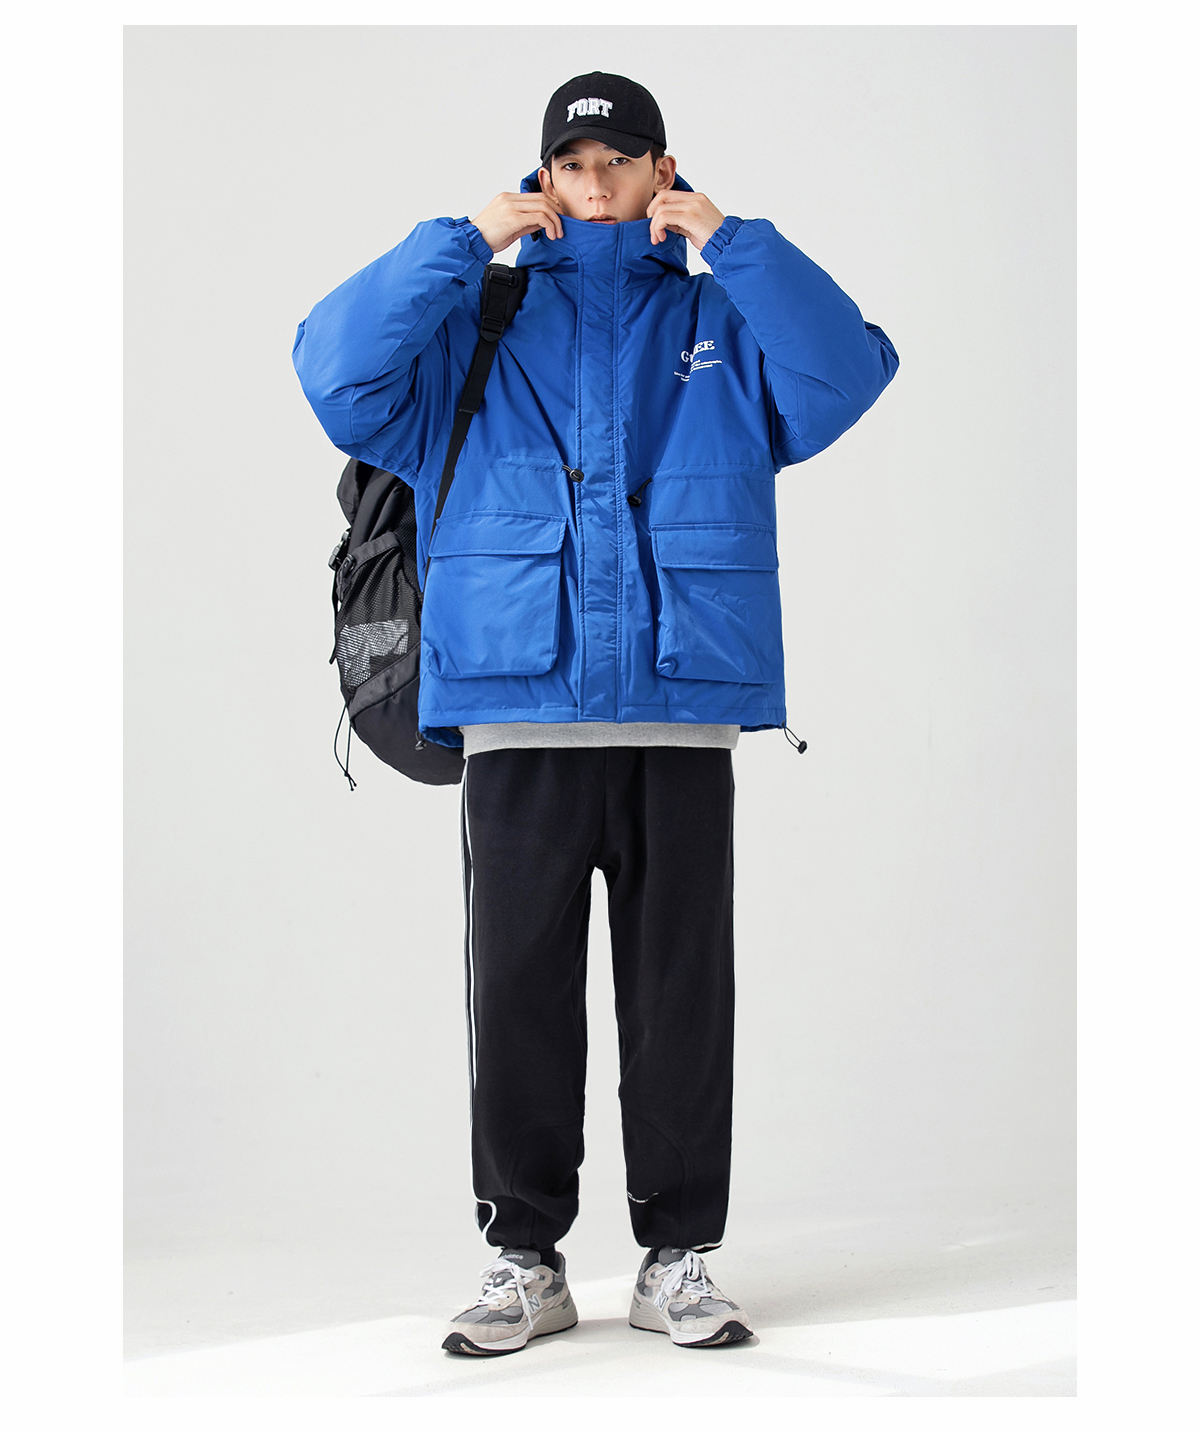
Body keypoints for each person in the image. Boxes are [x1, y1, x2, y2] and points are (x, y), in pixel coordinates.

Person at [293, 70, 898, 1357]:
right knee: (517, 998)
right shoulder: (473, 323)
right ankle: (525, 1258)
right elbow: (334, 371)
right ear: (544, 179)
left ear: (662, 170)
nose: (596, 181)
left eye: (620, 160)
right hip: (519, 712)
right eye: (572, 164)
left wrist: (732, 239)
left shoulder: (725, 320)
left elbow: (847, 372)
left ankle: (679, 1259)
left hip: (679, 710)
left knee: (681, 998)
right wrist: (462, 240)